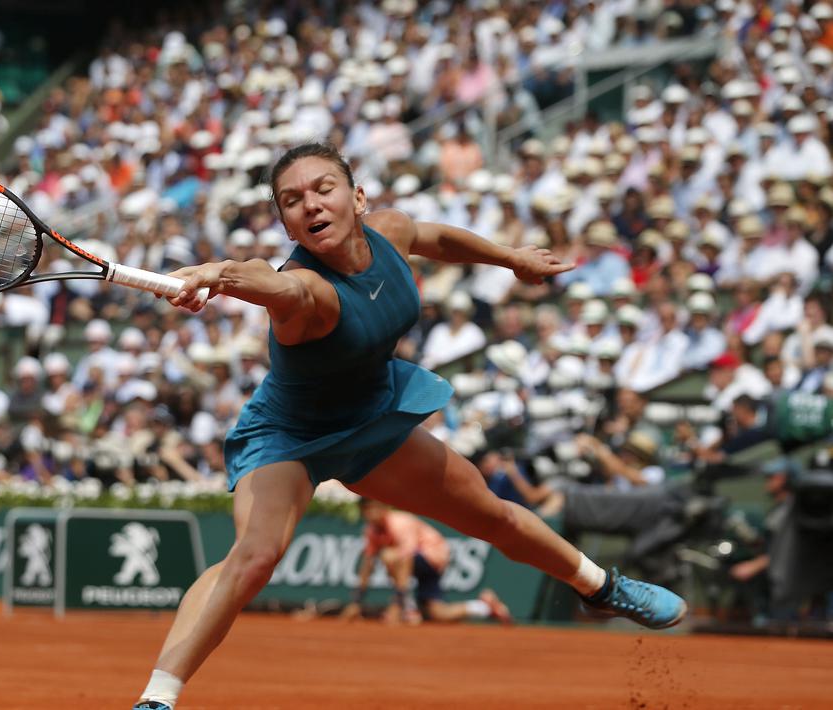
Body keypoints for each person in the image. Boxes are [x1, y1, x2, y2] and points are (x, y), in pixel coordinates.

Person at [135, 144, 686, 710]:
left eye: (323, 188)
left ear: (358, 198)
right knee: (254, 556)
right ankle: (158, 698)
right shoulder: (306, 286)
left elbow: (436, 238)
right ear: (286, 224)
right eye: (292, 201)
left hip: (371, 419)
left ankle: (602, 587)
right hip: (289, 436)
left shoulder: (390, 231)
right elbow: (269, 282)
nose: (311, 205)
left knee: (491, 514)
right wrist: (217, 274)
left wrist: (511, 258)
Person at [341, 497, 512, 625]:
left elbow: (406, 557)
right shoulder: (371, 531)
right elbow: (367, 564)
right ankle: (484, 607)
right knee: (438, 614)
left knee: (390, 556)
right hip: (418, 562)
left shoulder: (400, 523)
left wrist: (396, 605)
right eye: (367, 510)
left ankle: (407, 607)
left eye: (375, 508)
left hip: (433, 556)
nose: (372, 513)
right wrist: (356, 602)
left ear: (384, 508)